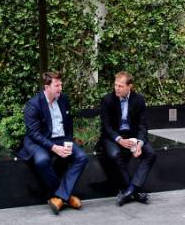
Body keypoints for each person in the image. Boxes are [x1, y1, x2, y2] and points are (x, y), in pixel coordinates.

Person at [18, 71, 88, 215]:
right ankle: (66, 196)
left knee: (82, 157)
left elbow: (69, 124)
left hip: (61, 138)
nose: (60, 88)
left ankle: (60, 197)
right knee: (42, 161)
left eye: (61, 84)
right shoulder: (33, 104)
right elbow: (34, 133)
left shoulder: (64, 100)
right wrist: (54, 147)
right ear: (46, 87)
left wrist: (68, 142)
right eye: (57, 85)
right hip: (39, 140)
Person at [100, 71, 156, 206]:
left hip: (133, 136)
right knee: (115, 154)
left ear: (129, 86)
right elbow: (106, 126)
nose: (116, 88)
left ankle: (129, 190)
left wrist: (139, 143)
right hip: (113, 136)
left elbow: (143, 125)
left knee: (151, 154)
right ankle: (135, 192)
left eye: (120, 86)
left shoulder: (139, 100)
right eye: (115, 85)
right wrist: (119, 139)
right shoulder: (107, 100)